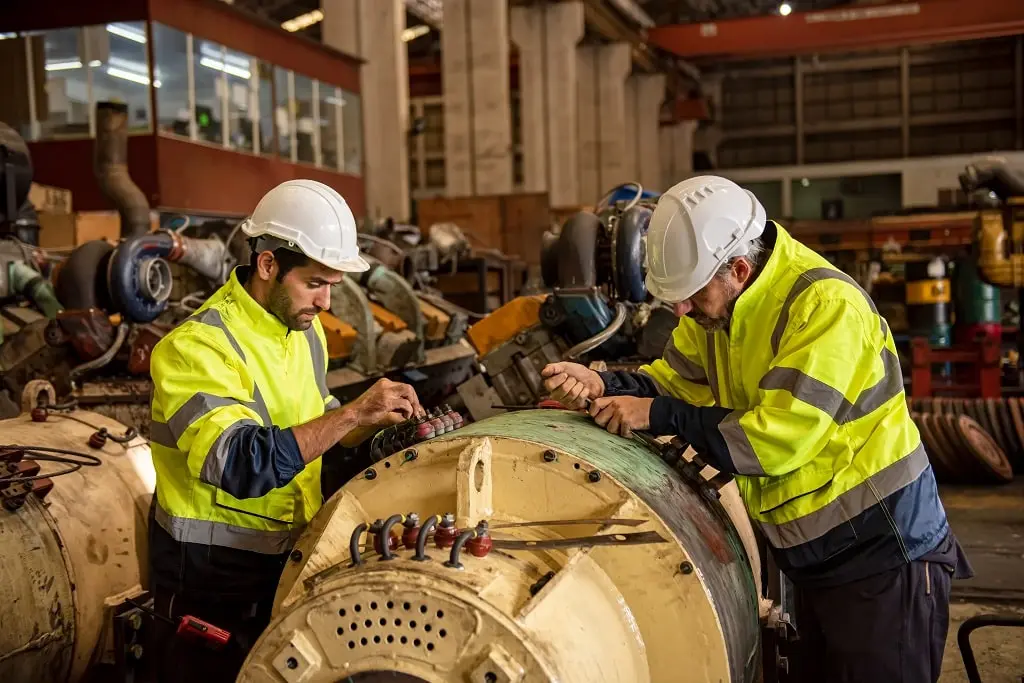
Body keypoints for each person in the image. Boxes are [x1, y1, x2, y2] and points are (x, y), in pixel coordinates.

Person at [543, 175, 970, 683]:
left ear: (739, 270)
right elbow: (674, 383)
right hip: (812, 556)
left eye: (690, 296)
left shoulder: (824, 308)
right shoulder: (716, 311)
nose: (679, 311)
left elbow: (773, 441)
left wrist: (653, 416)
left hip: (883, 554)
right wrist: (604, 381)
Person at [147, 179, 424, 682]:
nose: (325, 304)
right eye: (315, 283)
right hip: (213, 584)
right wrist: (352, 415)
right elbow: (237, 464)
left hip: (288, 564)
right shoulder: (196, 348)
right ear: (269, 264)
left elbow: (314, 418)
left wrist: (378, 428)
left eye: (333, 287)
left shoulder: (303, 331)